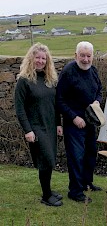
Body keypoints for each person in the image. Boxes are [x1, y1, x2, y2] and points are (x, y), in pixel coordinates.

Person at [14, 42, 63, 207]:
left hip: (49, 126)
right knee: (46, 160)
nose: (41, 61)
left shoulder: (50, 80)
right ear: (31, 59)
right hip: (36, 128)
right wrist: (27, 130)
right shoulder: (24, 81)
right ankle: (46, 196)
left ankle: (48, 190)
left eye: (44, 58)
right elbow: (20, 109)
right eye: (38, 58)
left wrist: (58, 124)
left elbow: (55, 106)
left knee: (49, 160)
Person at [56, 41, 103, 203]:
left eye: (88, 56)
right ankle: (75, 191)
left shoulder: (93, 71)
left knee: (90, 153)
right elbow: (59, 100)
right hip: (73, 123)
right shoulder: (68, 72)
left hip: (90, 121)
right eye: (82, 55)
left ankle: (86, 184)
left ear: (92, 56)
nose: (85, 59)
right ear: (75, 55)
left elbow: (99, 91)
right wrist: (74, 117)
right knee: (76, 157)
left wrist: (97, 101)